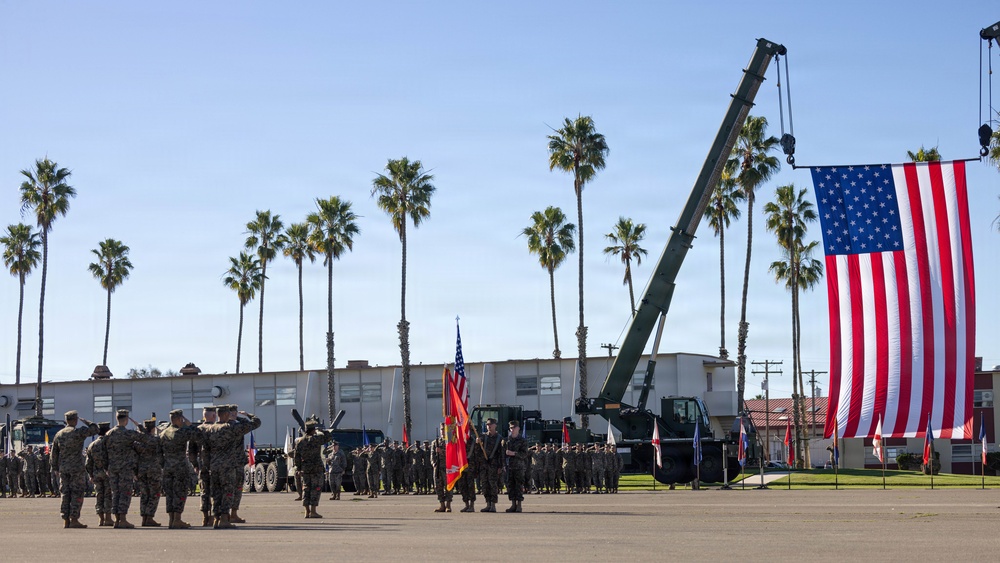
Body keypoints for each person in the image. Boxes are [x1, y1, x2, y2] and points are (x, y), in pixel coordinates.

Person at [50, 410, 99, 528]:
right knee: (77, 493)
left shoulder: (59, 434)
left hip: (64, 468)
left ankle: (66, 519)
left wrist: (55, 467)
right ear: (75, 420)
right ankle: (74, 518)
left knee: (65, 493)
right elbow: (95, 429)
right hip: (76, 468)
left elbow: (54, 453)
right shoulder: (78, 432)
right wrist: (85, 421)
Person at [160, 409, 200, 529]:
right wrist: (189, 425)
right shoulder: (182, 432)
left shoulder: (163, 433)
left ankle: (171, 519)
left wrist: (164, 464)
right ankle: (177, 519)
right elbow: (197, 435)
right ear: (179, 419)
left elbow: (158, 453)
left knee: (170, 494)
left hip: (167, 467)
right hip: (180, 467)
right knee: (180, 492)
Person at [105, 409, 145, 528]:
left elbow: (103, 451)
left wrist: (106, 466)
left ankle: (117, 519)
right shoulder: (128, 434)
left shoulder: (109, 434)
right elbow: (146, 438)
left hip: (112, 468)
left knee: (115, 493)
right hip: (125, 468)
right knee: (125, 493)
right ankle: (122, 519)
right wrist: (140, 427)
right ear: (126, 420)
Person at [293, 419, 328, 518]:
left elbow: (297, 456)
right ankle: (313, 511)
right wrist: (322, 430)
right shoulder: (316, 439)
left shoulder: (300, 442)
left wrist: (299, 468)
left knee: (306, 488)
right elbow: (328, 437)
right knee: (316, 489)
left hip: (305, 469)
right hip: (316, 469)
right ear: (313, 430)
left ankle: (306, 511)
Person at [137, 419, 164, 526]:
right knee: (154, 494)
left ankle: (144, 517)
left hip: (141, 470)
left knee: (144, 494)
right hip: (154, 470)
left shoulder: (138, 442)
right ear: (153, 429)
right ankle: (149, 517)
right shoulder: (156, 440)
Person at [85, 422, 112, 525]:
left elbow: (88, 463)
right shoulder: (109, 443)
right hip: (107, 473)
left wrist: (90, 475)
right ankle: (108, 518)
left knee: (99, 495)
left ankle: (101, 519)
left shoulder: (92, 445)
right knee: (108, 495)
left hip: (96, 473)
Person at [476, 418, 503, 512]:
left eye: (491, 424)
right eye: (487, 425)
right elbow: (478, 450)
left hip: (494, 465)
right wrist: (477, 442)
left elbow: (501, 454)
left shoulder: (499, 438)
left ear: (495, 425)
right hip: (484, 465)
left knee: (493, 485)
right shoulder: (483, 437)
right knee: (485, 485)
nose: (489, 426)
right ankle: (487, 504)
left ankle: (493, 505)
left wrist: (501, 466)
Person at [503, 420, 528, 513]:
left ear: (518, 428)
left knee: (519, 485)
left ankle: (519, 505)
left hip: (519, 467)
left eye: (514, 427)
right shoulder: (506, 440)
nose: (512, 429)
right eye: (511, 428)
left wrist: (513, 453)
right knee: (510, 486)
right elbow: (502, 454)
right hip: (509, 467)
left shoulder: (522, 440)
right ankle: (513, 504)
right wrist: (503, 465)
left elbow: (524, 454)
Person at [431, 423, 451, 512]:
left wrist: (442, 451)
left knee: (448, 487)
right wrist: (434, 464)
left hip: (447, 467)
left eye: (444, 429)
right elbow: (432, 455)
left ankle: (448, 505)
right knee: (438, 487)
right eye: (441, 429)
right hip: (438, 467)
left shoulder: (450, 441)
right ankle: (442, 505)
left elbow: (451, 453)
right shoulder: (435, 442)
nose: (443, 431)